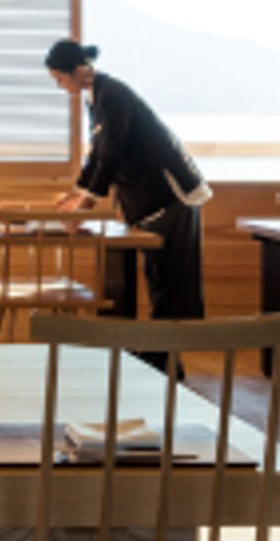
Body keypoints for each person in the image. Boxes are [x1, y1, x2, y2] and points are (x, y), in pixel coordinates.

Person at [45, 38, 211, 366]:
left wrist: (85, 206)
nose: (60, 86)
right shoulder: (97, 96)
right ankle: (162, 366)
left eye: (60, 79)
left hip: (170, 195)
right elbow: (98, 152)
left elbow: (111, 152)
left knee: (170, 286)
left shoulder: (113, 94)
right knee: (159, 283)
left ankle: (162, 368)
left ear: (79, 70)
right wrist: (77, 192)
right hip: (149, 199)